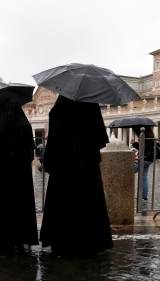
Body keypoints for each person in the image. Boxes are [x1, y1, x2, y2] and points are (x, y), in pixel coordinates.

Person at [40, 95, 113, 256]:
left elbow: (54, 139)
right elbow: (99, 138)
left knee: (64, 203)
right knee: (87, 202)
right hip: (86, 164)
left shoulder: (59, 107)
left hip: (63, 165)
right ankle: (88, 241)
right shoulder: (91, 105)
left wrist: (51, 161)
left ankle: (63, 241)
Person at [0, 98, 39, 251]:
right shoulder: (25, 124)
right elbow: (31, 148)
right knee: (19, 203)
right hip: (19, 171)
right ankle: (19, 236)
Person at [132, 126, 158, 201]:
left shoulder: (145, 136)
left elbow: (143, 148)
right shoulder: (150, 136)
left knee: (129, 171)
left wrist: (134, 144)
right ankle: (143, 196)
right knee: (144, 178)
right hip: (148, 159)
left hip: (144, 159)